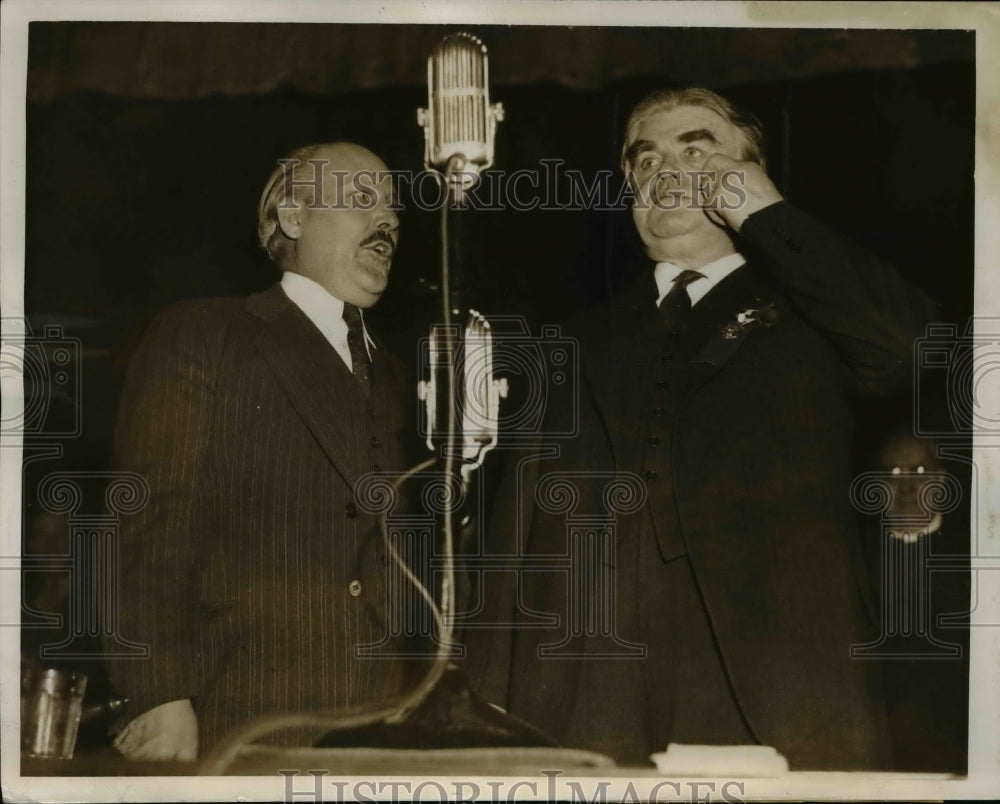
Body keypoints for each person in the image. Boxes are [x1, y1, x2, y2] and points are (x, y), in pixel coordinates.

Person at [465, 88, 939, 770]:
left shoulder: (817, 312)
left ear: (748, 174)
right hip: (596, 688)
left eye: (697, 149)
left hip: (775, 678)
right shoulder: (573, 341)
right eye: (646, 159)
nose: (666, 170)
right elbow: (516, 533)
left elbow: (913, 348)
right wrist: (490, 708)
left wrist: (766, 214)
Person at [104, 142, 414, 760]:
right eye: (360, 201)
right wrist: (158, 697)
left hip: (383, 731)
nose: (387, 224)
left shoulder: (399, 376)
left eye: (393, 213)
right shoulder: (204, 334)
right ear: (294, 219)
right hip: (238, 715)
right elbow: (146, 520)